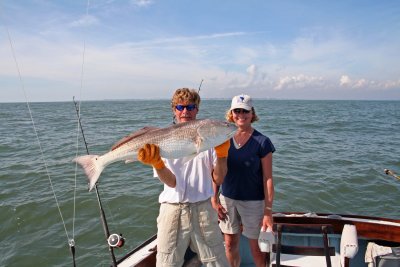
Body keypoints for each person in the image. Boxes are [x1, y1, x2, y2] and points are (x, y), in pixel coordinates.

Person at [137, 88, 230, 267]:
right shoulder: (163, 138)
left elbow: (218, 179)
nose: (185, 111)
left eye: (190, 107)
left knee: (217, 262)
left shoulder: (210, 137)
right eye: (180, 107)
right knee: (167, 263)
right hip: (172, 209)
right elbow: (171, 182)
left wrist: (222, 155)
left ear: (197, 109)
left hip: (203, 208)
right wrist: (157, 163)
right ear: (174, 110)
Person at [212, 94, 275, 267]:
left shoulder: (263, 142)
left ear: (252, 113)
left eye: (245, 111)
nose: (241, 114)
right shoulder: (222, 139)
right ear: (231, 114)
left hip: (254, 202)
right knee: (230, 244)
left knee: (256, 248)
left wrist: (268, 211)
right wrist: (214, 198)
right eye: (237, 110)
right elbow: (215, 171)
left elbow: (268, 178)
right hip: (227, 199)